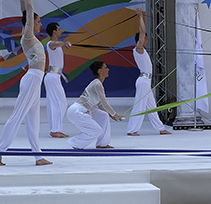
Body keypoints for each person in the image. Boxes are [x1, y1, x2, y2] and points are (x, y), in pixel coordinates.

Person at [0, 0, 52, 166]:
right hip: (32, 79)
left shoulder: (30, 35)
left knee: (33, 121)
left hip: (35, 81)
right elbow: (28, 10)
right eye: (38, 21)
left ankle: (38, 156)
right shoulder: (27, 35)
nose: (39, 23)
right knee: (18, 115)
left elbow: (25, 11)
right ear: (31, 22)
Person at [127, 8, 171, 136]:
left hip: (146, 81)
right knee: (140, 105)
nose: (146, 40)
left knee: (152, 107)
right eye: (145, 39)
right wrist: (140, 17)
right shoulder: (138, 49)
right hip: (143, 81)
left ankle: (161, 128)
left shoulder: (142, 51)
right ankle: (132, 130)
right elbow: (142, 32)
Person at [66, 60, 123, 149]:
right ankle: (75, 143)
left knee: (104, 115)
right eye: (105, 68)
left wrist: (110, 115)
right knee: (96, 130)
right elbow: (104, 102)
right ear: (100, 71)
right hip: (77, 111)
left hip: (85, 110)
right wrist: (115, 114)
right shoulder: (97, 84)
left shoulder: (97, 83)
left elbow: (100, 104)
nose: (108, 69)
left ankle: (102, 144)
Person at [44, 22, 72, 138]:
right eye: (59, 29)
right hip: (52, 77)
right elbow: (55, 43)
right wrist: (65, 43)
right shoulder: (51, 44)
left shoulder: (55, 45)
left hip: (54, 77)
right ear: (54, 31)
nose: (61, 31)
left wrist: (64, 43)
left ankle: (55, 129)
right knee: (60, 103)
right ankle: (55, 129)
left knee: (54, 104)